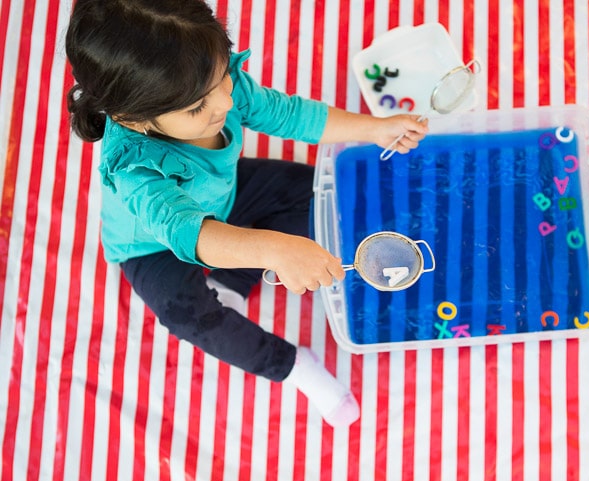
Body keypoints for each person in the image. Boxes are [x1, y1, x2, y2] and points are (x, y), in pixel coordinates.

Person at [65, 0, 427, 427]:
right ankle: (295, 367)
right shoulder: (135, 169)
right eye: (198, 108)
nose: (223, 103)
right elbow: (191, 234)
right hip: (154, 247)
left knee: (311, 192)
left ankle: (232, 281)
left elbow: (288, 115)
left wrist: (375, 129)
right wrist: (274, 250)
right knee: (191, 320)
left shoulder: (214, 86)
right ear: (136, 120)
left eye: (222, 79)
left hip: (226, 195)